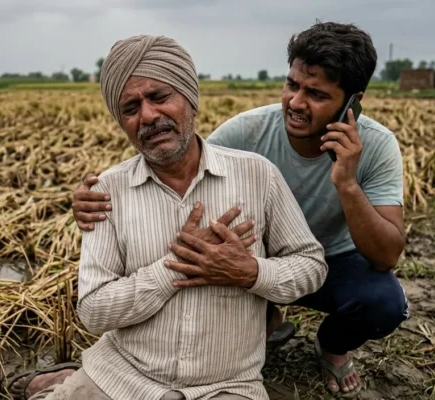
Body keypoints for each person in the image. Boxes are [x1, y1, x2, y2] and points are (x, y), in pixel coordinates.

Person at [71, 22, 410, 396]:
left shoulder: (375, 147)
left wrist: (346, 183)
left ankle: (331, 346)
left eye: (316, 93)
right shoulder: (248, 132)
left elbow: (386, 255)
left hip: (329, 265)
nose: (296, 103)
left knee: (383, 302)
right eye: (292, 85)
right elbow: (175, 157)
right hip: (248, 257)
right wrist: (107, 194)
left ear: (352, 102)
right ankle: (265, 319)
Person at [8, 34, 328, 400]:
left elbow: (311, 267)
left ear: (191, 100)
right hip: (121, 377)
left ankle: (54, 380)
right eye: (130, 108)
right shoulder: (106, 193)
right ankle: (63, 381)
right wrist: (173, 267)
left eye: (160, 97)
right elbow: (93, 312)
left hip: (225, 386)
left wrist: (250, 272)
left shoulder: (259, 175)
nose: (147, 115)